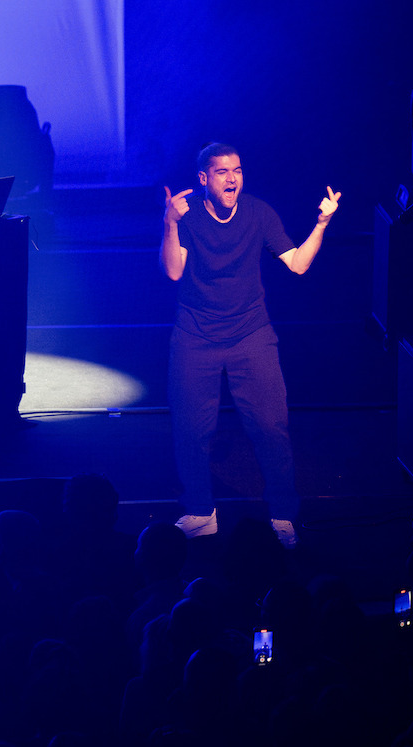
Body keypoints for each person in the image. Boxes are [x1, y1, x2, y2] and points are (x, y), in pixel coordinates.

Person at [160, 143, 340, 548]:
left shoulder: (258, 213)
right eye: (222, 171)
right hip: (196, 335)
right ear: (204, 179)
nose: (232, 178)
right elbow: (173, 271)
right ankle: (201, 512)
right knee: (191, 428)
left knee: (270, 427)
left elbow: (297, 263)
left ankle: (282, 515)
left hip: (250, 333)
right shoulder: (187, 219)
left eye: (237, 170)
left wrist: (322, 225)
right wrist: (169, 224)